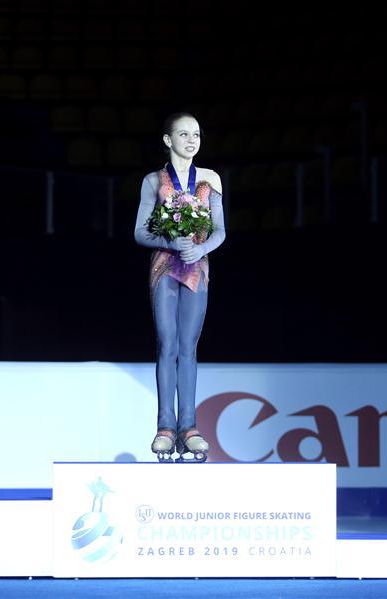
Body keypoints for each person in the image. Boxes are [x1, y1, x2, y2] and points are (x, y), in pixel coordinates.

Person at [134, 113, 226, 462]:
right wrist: (171, 242)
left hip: (196, 268)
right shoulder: (154, 180)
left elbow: (220, 230)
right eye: (183, 134)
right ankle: (164, 427)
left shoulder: (210, 179)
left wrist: (199, 249)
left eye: (197, 134)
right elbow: (140, 232)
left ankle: (189, 427)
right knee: (166, 343)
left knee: (189, 346)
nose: (192, 140)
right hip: (165, 267)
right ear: (168, 140)